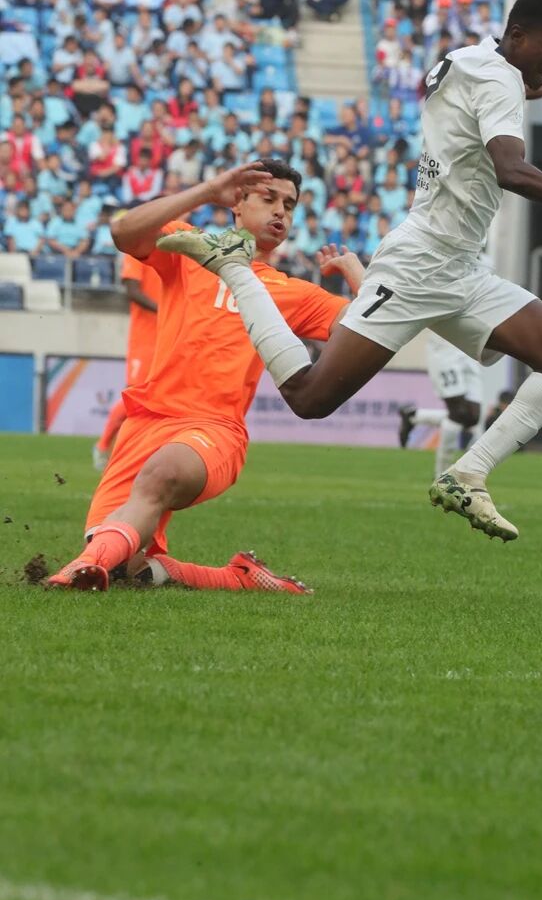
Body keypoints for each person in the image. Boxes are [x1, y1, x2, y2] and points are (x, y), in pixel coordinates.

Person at [159, 0, 542, 542]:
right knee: (309, 398)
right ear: (518, 37)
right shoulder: (497, 79)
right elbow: (511, 171)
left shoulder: (468, 60)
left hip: (462, 268)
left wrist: (522, 85)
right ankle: (236, 268)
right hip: (417, 264)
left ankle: (467, 475)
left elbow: (445, 89)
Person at [47, 160, 364, 593]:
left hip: (214, 429)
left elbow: (369, 328)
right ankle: (238, 578)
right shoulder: (191, 249)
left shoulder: (293, 292)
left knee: (160, 476)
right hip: (147, 423)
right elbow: (123, 232)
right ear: (237, 203)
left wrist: (356, 273)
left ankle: (80, 568)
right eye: (268, 198)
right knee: (128, 567)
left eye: (289, 205)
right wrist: (207, 190)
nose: (280, 211)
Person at [93, 247, 162, 472]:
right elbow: (132, 291)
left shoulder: (173, 252)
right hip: (146, 338)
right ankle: (103, 445)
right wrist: (165, 310)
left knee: (159, 396)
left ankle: (139, 452)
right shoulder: (136, 251)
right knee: (135, 395)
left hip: (170, 336)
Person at [398, 331, 484, 478]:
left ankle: (413, 416)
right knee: (458, 412)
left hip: (468, 346)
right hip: (445, 346)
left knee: (472, 417)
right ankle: (442, 475)